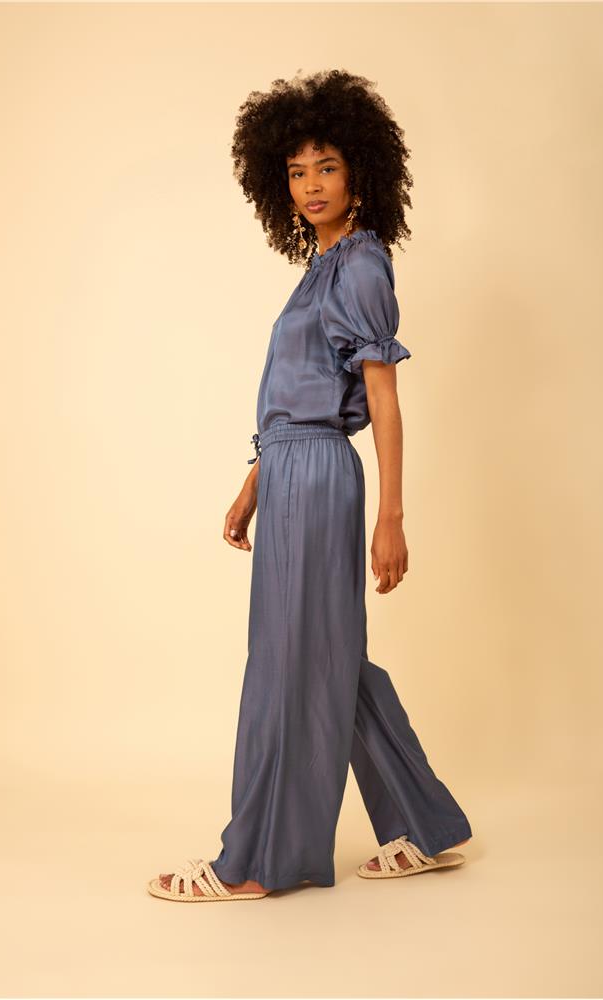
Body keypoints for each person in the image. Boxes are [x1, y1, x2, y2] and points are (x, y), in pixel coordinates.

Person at [148, 70, 472, 902]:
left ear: (360, 171)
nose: (311, 185)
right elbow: (298, 395)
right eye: (296, 172)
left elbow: (382, 403)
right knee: (326, 656)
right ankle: (427, 827)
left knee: (288, 664)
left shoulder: (360, 265)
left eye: (326, 166)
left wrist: (392, 517)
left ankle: (258, 861)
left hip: (319, 478)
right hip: (289, 471)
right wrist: (253, 483)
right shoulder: (319, 267)